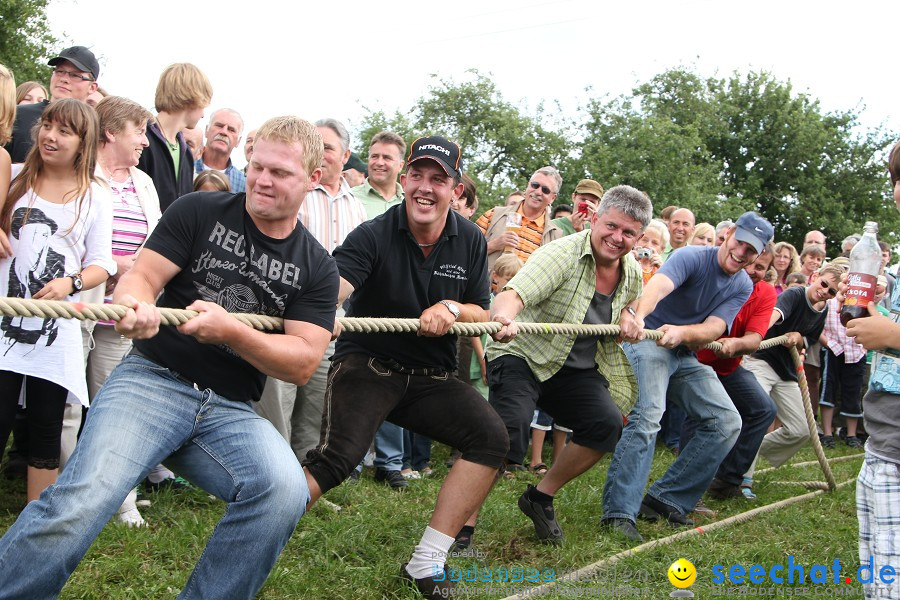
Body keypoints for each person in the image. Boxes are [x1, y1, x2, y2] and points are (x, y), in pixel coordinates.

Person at [0, 115, 339, 599]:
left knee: (285, 492)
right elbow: (143, 277)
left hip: (229, 410)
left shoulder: (317, 267)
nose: (262, 181)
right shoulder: (199, 210)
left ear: (312, 178)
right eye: (258, 166)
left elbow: (303, 360)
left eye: (280, 173)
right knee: (82, 499)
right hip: (152, 380)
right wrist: (137, 304)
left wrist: (232, 332)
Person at [302, 136, 508, 599]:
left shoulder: (471, 239)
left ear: (456, 189)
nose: (425, 188)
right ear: (404, 179)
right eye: (417, 175)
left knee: (491, 439)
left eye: (439, 179)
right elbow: (335, 284)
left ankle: (426, 562)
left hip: (432, 377)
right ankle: (259, 525)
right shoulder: (375, 232)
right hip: (368, 363)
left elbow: (481, 309)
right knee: (338, 459)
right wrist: (320, 314)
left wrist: (453, 308)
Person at [485, 185, 650, 544]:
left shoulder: (633, 271)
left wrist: (630, 315)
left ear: (639, 237)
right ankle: (461, 529)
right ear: (594, 219)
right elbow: (513, 294)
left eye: (628, 233)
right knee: (505, 433)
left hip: (572, 368)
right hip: (521, 354)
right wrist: (502, 320)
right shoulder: (561, 254)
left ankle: (539, 497)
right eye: (611, 226)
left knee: (605, 425)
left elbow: (628, 304)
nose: (617, 237)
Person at [601, 211, 773, 542]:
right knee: (648, 416)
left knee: (727, 421)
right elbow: (658, 287)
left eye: (752, 250)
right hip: (649, 342)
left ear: (759, 253)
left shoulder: (740, 284)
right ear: (729, 234)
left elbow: (715, 328)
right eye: (740, 243)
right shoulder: (690, 256)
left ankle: (666, 498)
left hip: (683, 352)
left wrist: (682, 334)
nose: (742, 253)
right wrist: (638, 316)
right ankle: (619, 513)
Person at [0, 99, 115, 502]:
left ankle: (35, 523)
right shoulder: (12, 177)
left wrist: (71, 282)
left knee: (46, 427)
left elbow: (103, 263)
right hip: (5, 324)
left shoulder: (95, 196)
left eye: (64, 131)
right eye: (47, 126)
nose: (50, 136)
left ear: (83, 143)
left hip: (55, 329)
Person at [84, 95, 163, 526]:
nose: (146, 143)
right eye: (139, 132)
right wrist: (114, 266)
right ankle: (64, 489)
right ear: (111, 131)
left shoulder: (144, 183)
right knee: (65, 408)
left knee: (114, 406)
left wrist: (141, 277)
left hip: (123, 315)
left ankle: (121, 500)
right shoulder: (81, 175)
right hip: (79, 306)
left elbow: (158, 240)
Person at [849, 140, 900, 600]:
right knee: (877, 561)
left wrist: (893, 336)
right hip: (884, 431)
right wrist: (868, 309)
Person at [740, 264, 844, 492]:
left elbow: (810, 339)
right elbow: (775, 314)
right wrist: (754, 337)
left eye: (832, 292)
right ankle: (742, 477)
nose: (825, 291)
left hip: (786, 371)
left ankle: (740, 452)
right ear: (815, 277)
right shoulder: (795, 294)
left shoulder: (823, 309)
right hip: (762, 360)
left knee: (802, 430)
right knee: (758, 416)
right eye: (824, 284)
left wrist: (798, 338)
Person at [689, 246, 778, 501]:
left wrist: (736, 345)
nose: (752, 270)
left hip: (729, 366)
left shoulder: (765, 293)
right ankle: (687, 484)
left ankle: (728, 479)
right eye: (749, 263)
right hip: (695, 362)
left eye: (760, 267)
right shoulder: (717, 279)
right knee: (700, 417)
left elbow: (754, 337)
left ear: (767, 270)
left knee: (763, 409)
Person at [5, 46, 100, 163]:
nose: (64, 79)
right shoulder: (17, 114)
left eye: (75, 75)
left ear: (92, 87)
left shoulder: (95, 129)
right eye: (60, 71)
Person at [137, 63, 212, 211]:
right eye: (203, 105)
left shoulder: (186, 154)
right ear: (193, 98)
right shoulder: (142, 139)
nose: (203, 114)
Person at [475, 166, 564, 269]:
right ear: (527, 187)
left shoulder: (555, 237)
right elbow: (465, 252)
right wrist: (494, 245)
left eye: (545, 190)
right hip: (485, 285)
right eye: (535, 185)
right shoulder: (494, 215)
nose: (538, 192)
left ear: (553, 198)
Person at [819, 292, 866, 449]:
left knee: (853, 392)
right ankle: (827, 433)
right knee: (828, 390)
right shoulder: (829, 303)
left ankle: (851, 434)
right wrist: (829, 344)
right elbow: (817, 326)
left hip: (855, 352)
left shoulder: (862, 303)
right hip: (833, 349)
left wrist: (863, 348)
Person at [351, 130, 406, 219]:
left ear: (400, 166)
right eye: (374, 156)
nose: (379, 162)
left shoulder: (409, 202)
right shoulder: (351, 198)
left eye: (387, 158)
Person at [194, 108, 246, 193]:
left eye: (231, 129)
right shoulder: (185, 167)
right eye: (219, 125)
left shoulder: (242, 183)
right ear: (207, 130)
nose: (224, 132)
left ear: (238, 141)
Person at [632, 218, 668, 284]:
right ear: (637, 240)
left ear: (662, 249)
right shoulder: (626, 259)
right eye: (644, 240)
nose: (648, 246)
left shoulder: (661, 269)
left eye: (654, 243)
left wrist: (663, 270)